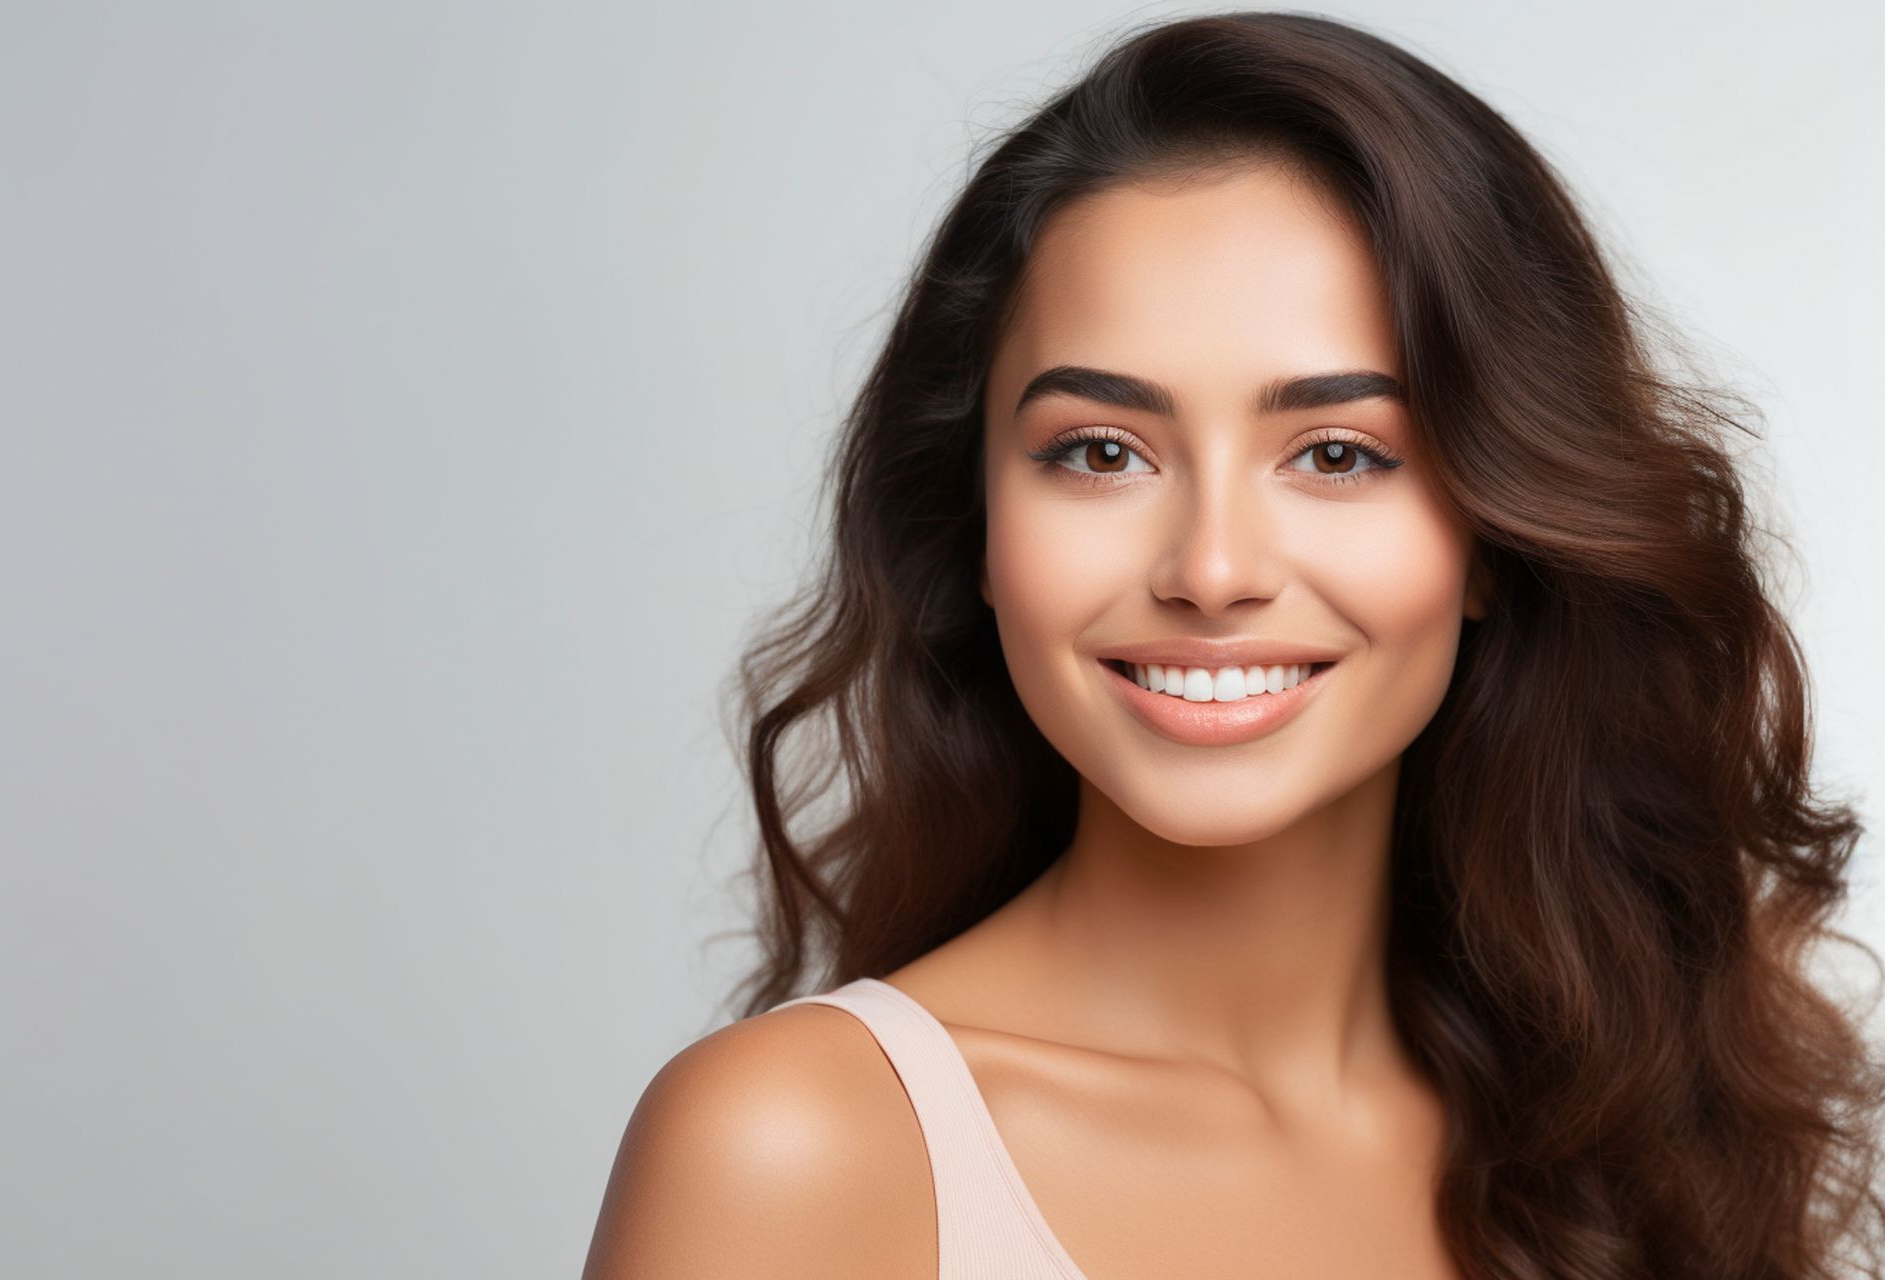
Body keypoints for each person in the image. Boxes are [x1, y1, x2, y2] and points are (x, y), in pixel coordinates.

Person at [586, 12, 1884, 1278]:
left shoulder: (1640, 1131)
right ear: (975, 524)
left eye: (1336, 455)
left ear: (1491, 534)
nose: (1212, 572)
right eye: (1101, 452)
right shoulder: (796, 1149)